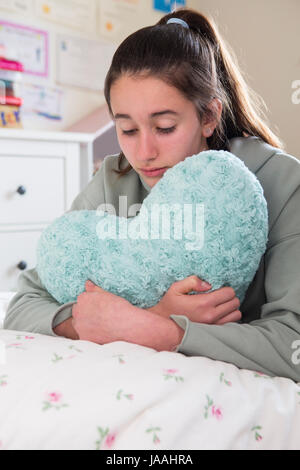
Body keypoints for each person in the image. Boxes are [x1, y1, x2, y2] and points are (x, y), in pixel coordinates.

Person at [4, 8, 300, 382]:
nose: (144, 152)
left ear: (209, 116)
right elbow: (22, 305)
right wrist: (121, 322)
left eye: (164, 127)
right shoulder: (114, 179)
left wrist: (161, 329)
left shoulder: (283, 182)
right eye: (126, 130)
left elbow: (293, 344)